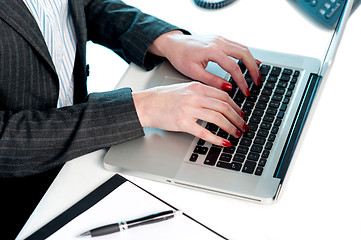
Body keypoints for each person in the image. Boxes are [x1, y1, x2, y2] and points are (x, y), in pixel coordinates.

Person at [0, 0, 260, 238]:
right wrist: (140, 108)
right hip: (27, 192)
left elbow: (81, 5)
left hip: (80, 141)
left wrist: (164, 40)